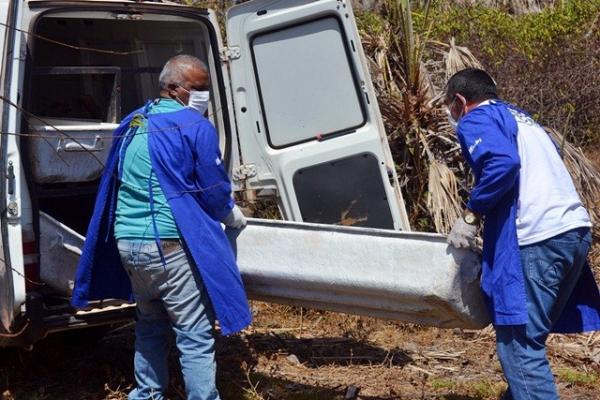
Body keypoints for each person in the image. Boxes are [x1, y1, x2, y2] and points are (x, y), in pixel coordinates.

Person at [71, 54, 251, 400]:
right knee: (194, 333)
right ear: (175, 88)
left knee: (150, 324)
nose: (204, 95)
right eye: (199, 88)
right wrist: (230, 213)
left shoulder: (134, 121)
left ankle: (147, 394)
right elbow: (213, 190)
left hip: (128, 244)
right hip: (167, 247)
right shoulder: (194, 127)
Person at [445, 68, 600, 400]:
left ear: (460, 101)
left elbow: (502, 163)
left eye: (450, 107)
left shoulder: (476, 118)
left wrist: (472, 214)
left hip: (537, 239)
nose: (451, 115)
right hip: (573, 232)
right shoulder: (521, 118)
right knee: (528, 341)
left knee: (519, 347)